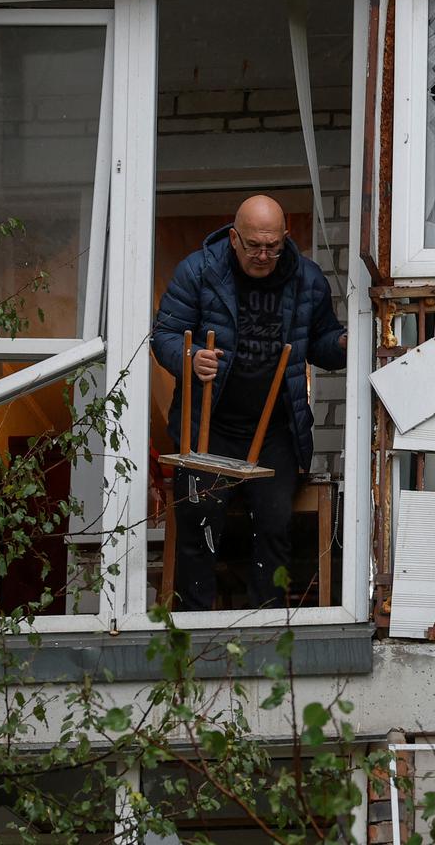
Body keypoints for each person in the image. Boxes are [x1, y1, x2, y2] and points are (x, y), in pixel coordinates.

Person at [152, 195, 348, 610]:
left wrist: (348, 342)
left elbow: (323, 345)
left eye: (273, 246)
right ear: (234, 236)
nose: (263, 255)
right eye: (254, 245)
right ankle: (192, 634)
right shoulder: (199, 271)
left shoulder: (307, 279)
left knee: (275, 528)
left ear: (285, 238)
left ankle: (266, 631)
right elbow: (165, 336)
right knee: (199, 527)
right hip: (209, 426)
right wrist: (190, 360)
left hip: (276, 428)